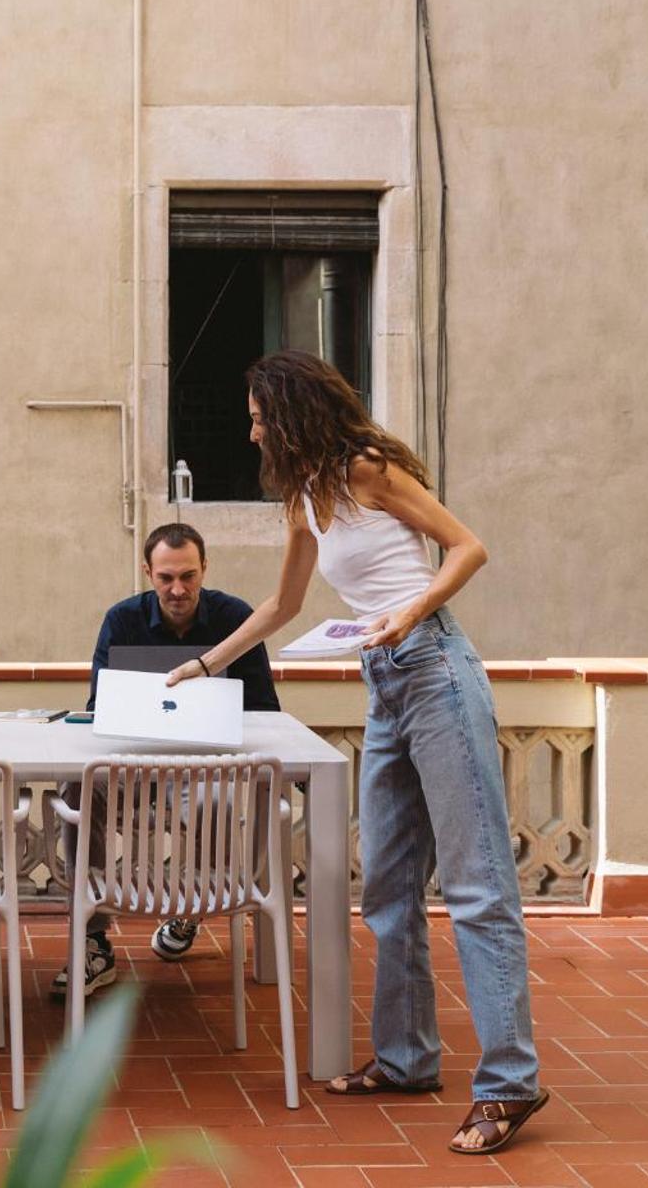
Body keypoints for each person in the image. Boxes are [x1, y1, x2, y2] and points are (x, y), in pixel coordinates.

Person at [166, 350, 547, 1155]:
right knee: (387, 891)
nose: (251, 427)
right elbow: (283, 604)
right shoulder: (306, 498)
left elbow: (468, 547)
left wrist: (409, 614)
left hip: (436, 669)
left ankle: (510, 1083)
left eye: (260, 414)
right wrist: (204, 663)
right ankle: (408, 1060)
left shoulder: (367, 469)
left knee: (477, 887)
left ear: (293, 410)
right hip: (386, 683)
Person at [52, 522, 282, 1001]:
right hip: (130, 764)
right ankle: (92, 939)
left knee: (216, 800)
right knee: (77, 788)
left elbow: (263, 706)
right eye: (165, 578)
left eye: (188, 576)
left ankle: (190, 908)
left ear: (205, 569)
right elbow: (100, 704)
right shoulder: (122, 618)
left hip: (202, 765)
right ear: (147, 573)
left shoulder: (235, 616)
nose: (178, 589)